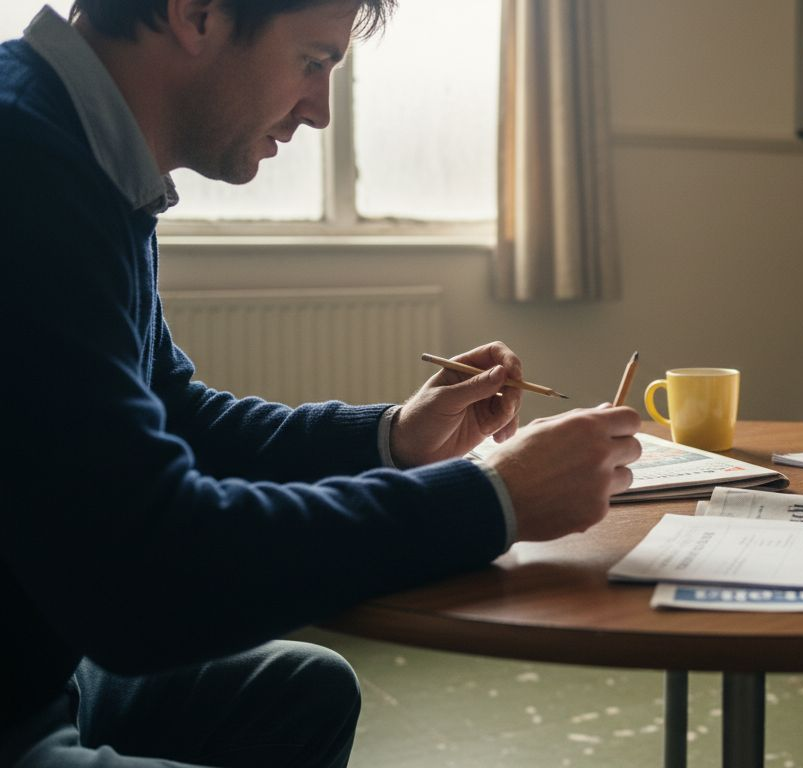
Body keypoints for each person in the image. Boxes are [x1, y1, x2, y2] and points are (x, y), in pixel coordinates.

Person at [0, 2, 642, 766]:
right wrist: (493, 499)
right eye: (313, 61)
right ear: (195, 13)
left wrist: (395, 438)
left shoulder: (84, 149)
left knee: (308, 687)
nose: (320, 112)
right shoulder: (25, 166)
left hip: (45, 659)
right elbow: (148, 574)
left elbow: (176, 417)